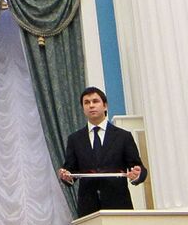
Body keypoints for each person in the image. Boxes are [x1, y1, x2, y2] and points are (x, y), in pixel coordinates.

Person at [57, 86, 147, 217]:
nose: (91, 105)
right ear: (83, 109)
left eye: (95, 101)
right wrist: (65, 176)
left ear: (105, 106)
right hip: (88, 207)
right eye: (86, 103)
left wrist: (137, 174)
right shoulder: (74, 139)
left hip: (118, 205)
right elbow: (70, 169)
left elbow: (139, 168)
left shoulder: (123, 136)